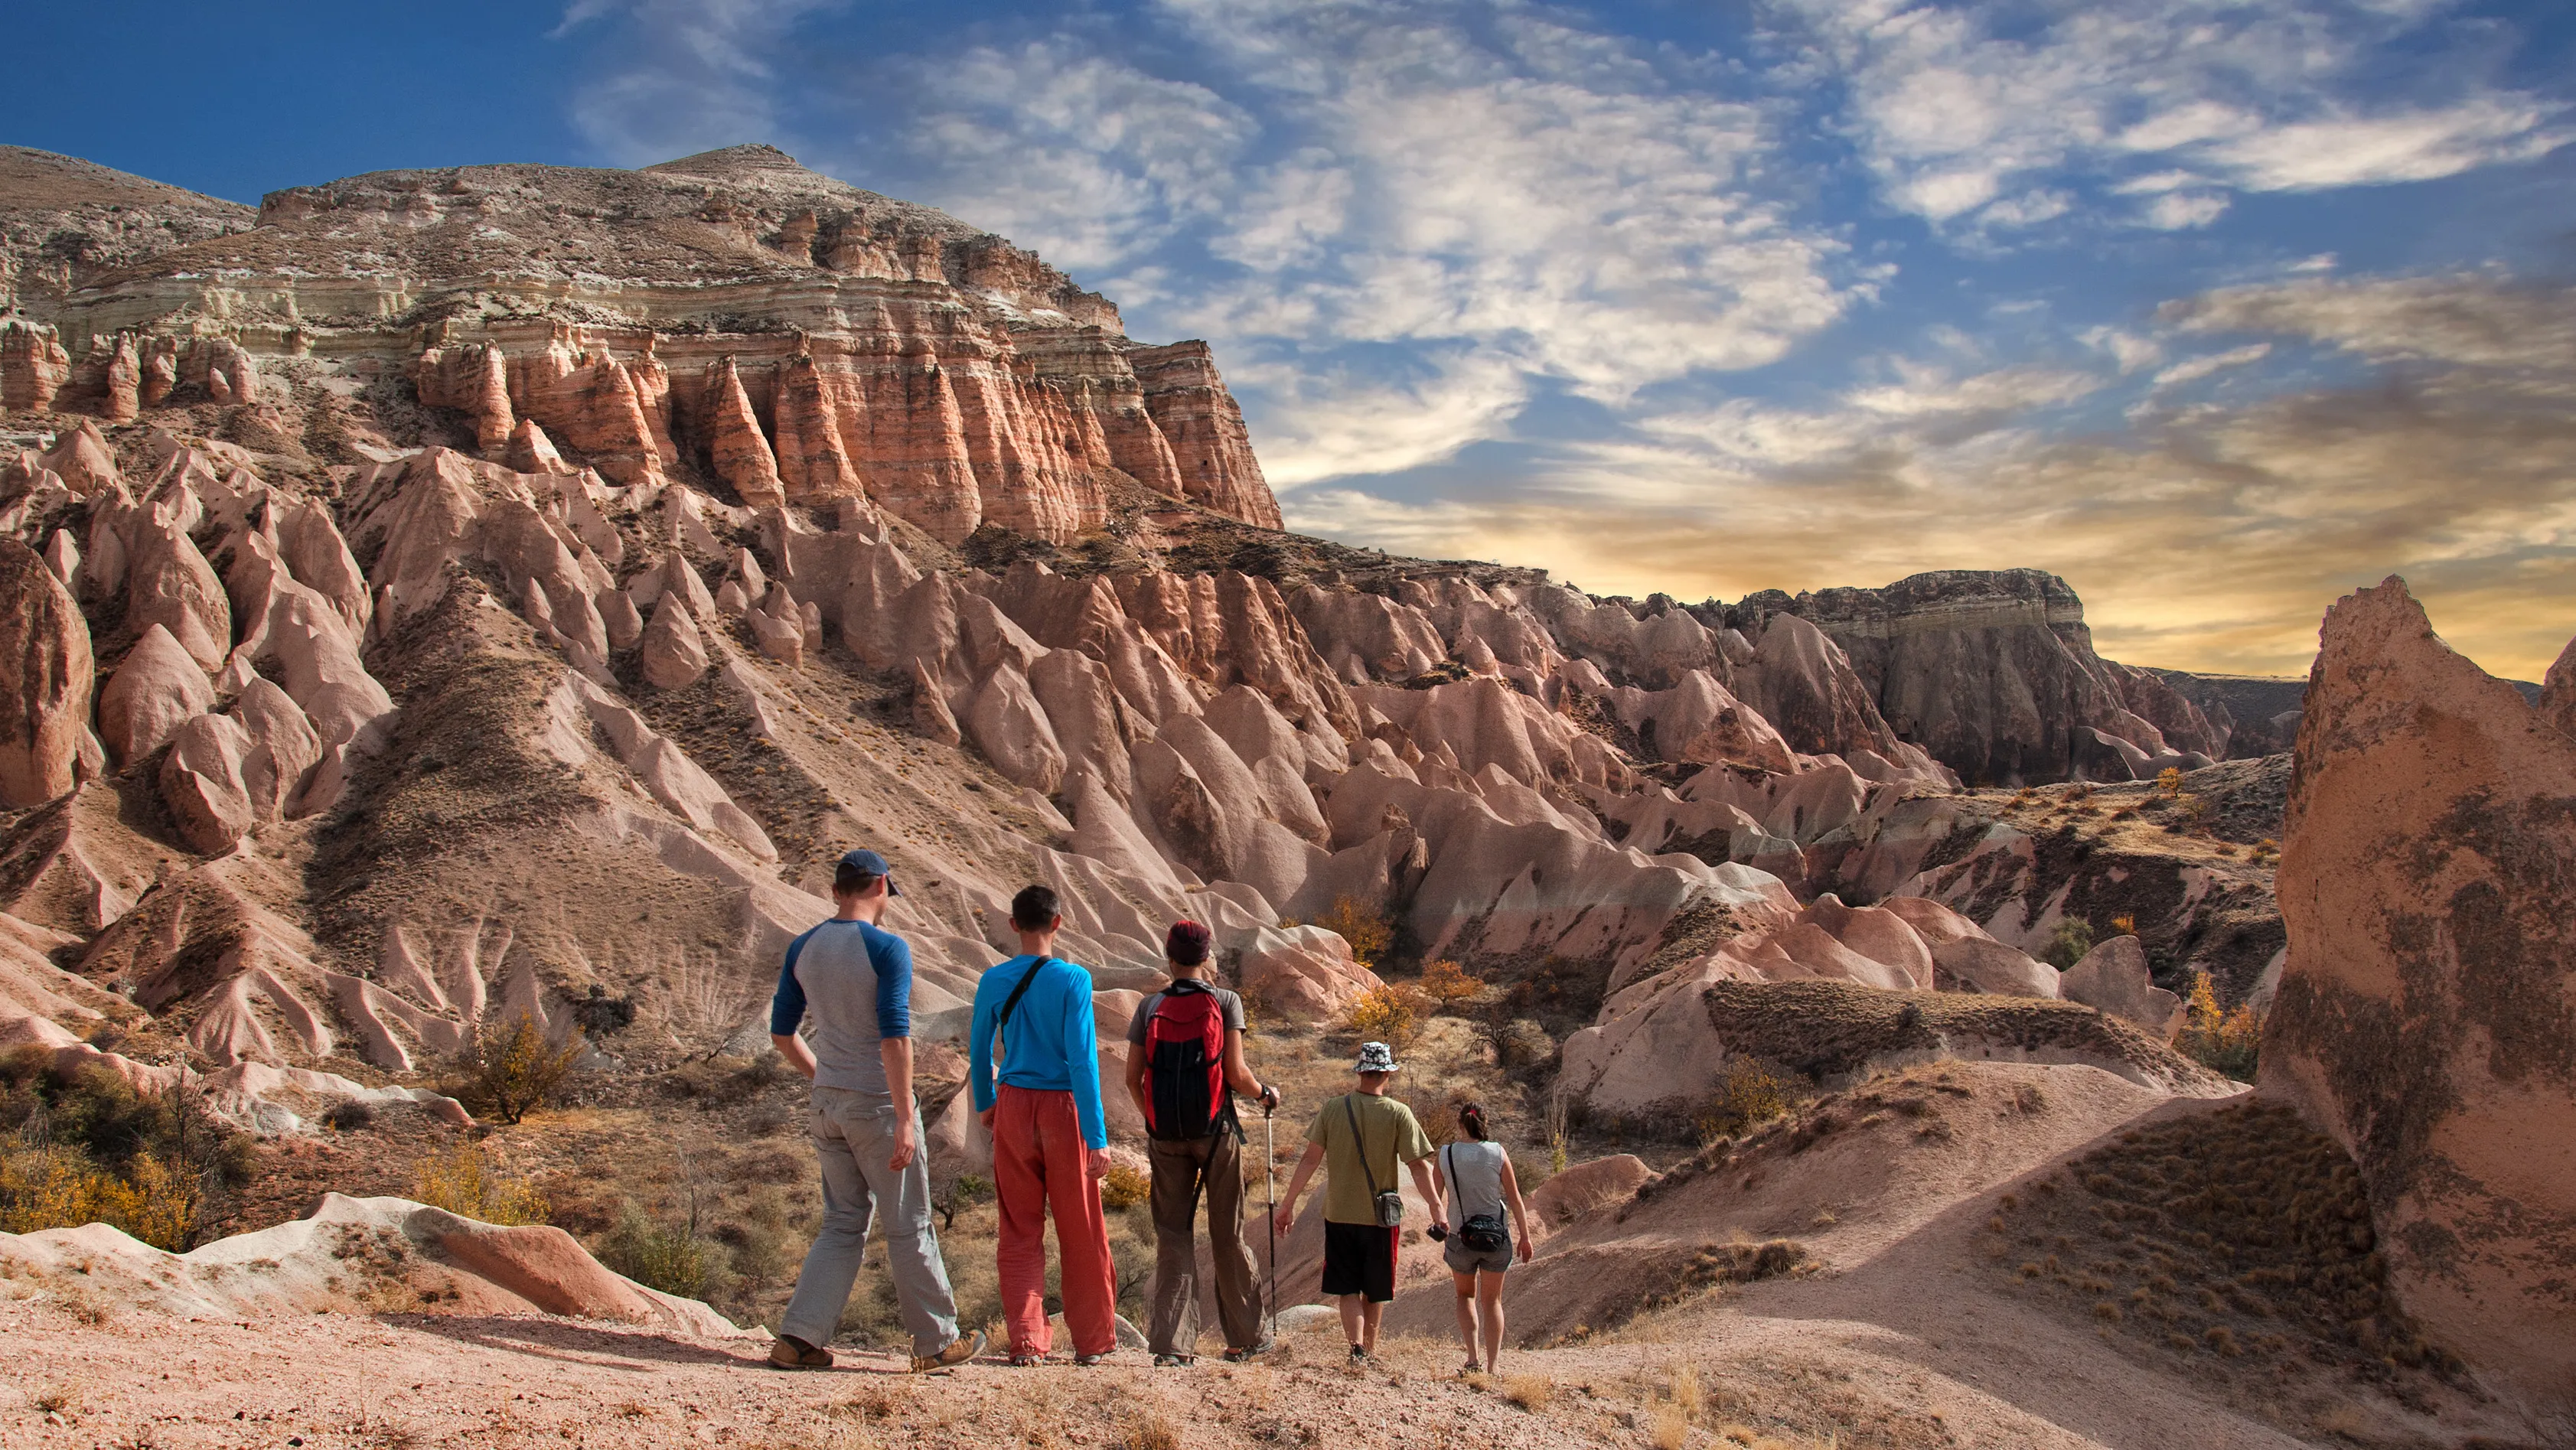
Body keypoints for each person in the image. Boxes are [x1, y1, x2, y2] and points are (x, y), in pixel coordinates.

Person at [765, 849, 985, 1373]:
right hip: (879, 1105)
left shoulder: (804, 946)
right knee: (909, 1224)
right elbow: (895, 1039)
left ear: (838, 889)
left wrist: (823, 1078)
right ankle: (935, 1342)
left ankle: (798, 1339)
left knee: (841, 1223)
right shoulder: (887, 948)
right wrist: (907, 1119)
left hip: (829, 1105)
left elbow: (782, 1032)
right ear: (881, 885)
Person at [970, 885, 1117, 1366]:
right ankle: (1093, 1343)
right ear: (1058, 923)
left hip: (1014, 1106)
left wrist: (988, 1104)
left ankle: (1028, 1341)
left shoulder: (992, 979)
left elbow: (978, 1051)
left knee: (1018, 1228)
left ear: (1013, 925)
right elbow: (1083, 1061)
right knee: (1082, 1228)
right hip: (1063, 1110)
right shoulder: (1074, 979)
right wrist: (1097, 1138)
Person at [1123, 920, 1280, 1367]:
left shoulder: (1149, 1006)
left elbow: (1132, 1079)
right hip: (1216, 1135)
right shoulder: (1225, 1001)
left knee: (1173, 1237)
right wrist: (1265, 1093)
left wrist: (1154, 1121)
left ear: (1169, 957)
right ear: (1206, 958)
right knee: (1227, 1233)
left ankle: (1172, 1348)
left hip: (1165, 1138)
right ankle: (1244, 1338)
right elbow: (1235, 1074)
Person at [1270, 1041, 1442, 1363]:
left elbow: (1309, 1160)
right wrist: (1436, 1206)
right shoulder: (1397, 1113)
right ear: (1387, 1074)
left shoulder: (1333, 1109)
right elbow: (1418, 1165)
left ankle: (1356, 1349)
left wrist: (1288, 1204)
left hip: (1340, 1214)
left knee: (1347, 1287)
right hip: (1380, 1218)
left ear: (1360, 1072)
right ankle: (1370, 1353)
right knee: (1375, 1290)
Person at [1431, 1102, 1534, 1376]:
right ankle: (1494, 1366)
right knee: (1493, 1301)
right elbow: (1515, 1199)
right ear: (1484, 1124)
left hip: (1459, 1237)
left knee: (1465, 1296)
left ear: (1460, 1124)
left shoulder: (1446, 1154)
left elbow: (1435, 1199)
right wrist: (1525, 1237)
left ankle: (1473, 1359)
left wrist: (1439, 1224)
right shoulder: (1498, 1152)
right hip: (1495, 1238)